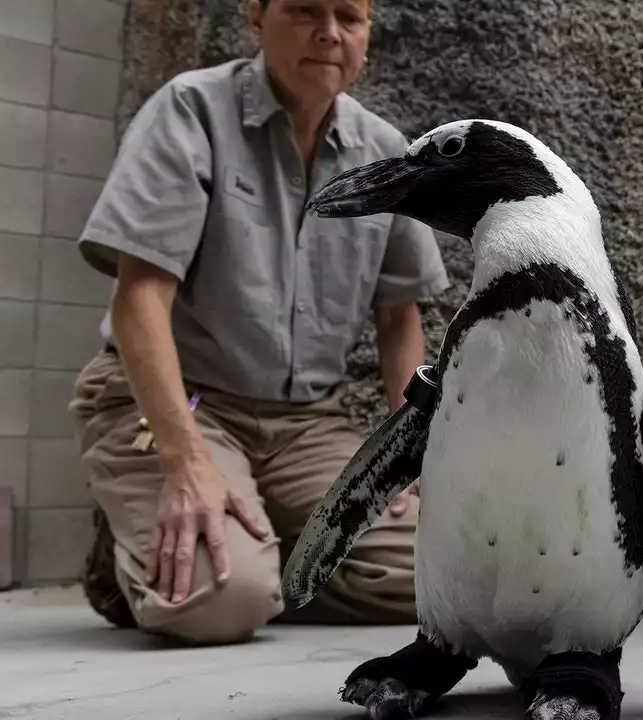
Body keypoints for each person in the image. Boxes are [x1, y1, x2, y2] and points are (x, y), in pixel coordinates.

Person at [67, 0, 451, 646]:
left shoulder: (386, 153)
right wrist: (184, 459)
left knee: (443, 574)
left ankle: (262, 548)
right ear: (256, 16)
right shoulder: (191, 111)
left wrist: (406, 451)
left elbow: (397, 319)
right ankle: (144, 560)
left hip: (305, 426)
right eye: (304, 10)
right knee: (220, 603)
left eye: (348, 17)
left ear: (367, 32)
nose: (328, 33)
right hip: (184, 407)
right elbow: (139, 299)